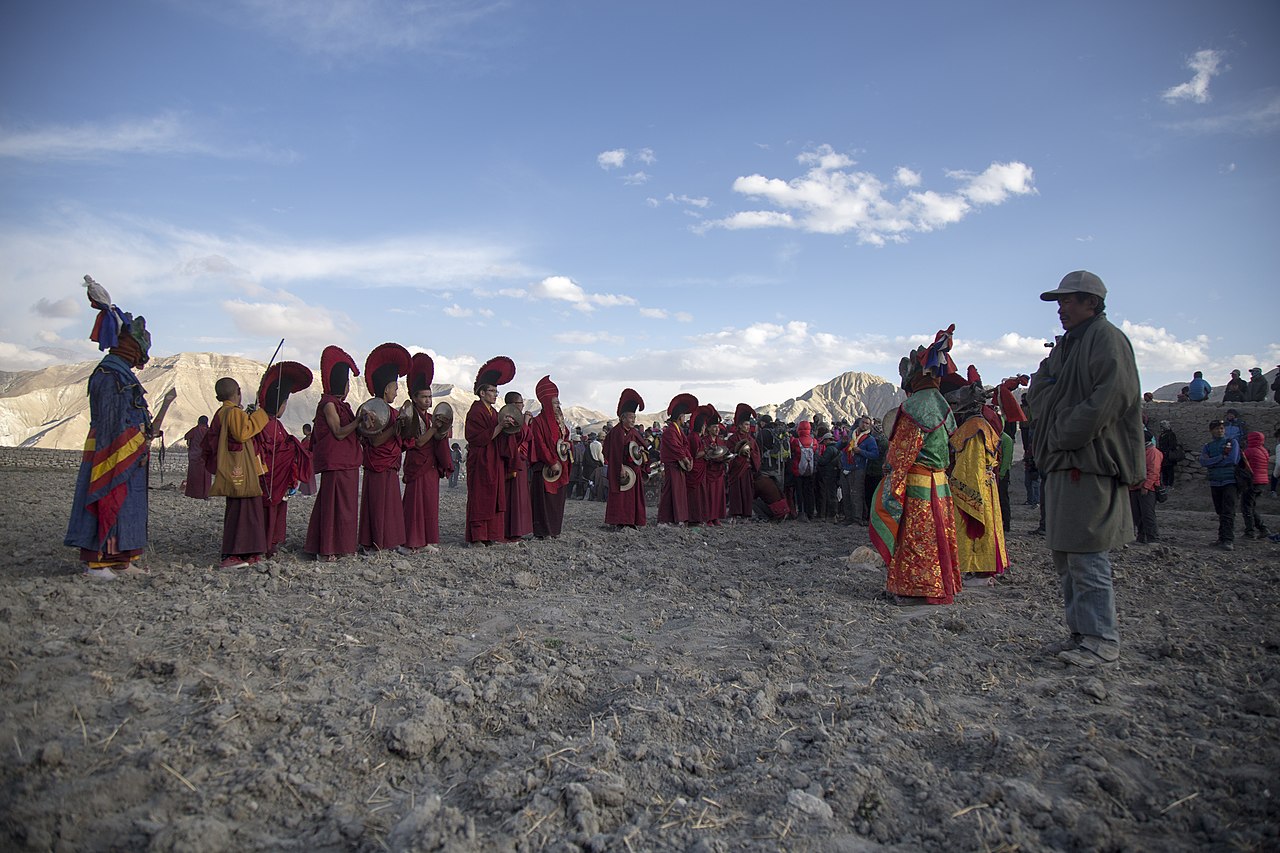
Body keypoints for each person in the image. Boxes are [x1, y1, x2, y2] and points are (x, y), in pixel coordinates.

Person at [1027, 271, 1144, 668]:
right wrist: (1054, 415)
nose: (1061, 309)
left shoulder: (1107, 339)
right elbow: (1039, 390)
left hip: (1088, 462)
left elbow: (1112, 396)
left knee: (1087, 555)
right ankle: (1080, 634)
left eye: (1069, 301)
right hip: (1063, 463)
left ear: (1091, 302)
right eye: (1060, 302)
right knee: (1066, 556)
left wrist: (1063, 430)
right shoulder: (1065, 347)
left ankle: (1101, 640)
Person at [65, 284, 176, 579]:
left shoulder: (121, 375)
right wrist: (137, 440)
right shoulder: (109, 375)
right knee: (109, 501)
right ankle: (98, 562)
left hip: (129, 457)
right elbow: (113, 425)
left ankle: (121, 560)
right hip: (112, 456)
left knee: (127, 507)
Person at [869, 326, 961, 605]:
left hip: (918, 486)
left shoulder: (914, 408)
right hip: (940, 485)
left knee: (916, 538)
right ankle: (940, 585)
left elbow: (901, 454)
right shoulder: (943, 406)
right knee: (938, 536)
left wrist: (890, 481)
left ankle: (915, 589)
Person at [942, 374, 1010, 585]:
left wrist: (952, 482)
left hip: (975, 485)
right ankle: (979, 570)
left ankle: (979, 570)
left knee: (974, 527)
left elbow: (970, 465)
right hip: (986, 485)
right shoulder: (982, 425)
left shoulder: (973, 428)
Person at [204, 377, 270, 569]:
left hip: (237, 468)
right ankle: (233, 555)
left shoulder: (224, 412)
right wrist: (260, 415)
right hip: (240, 470)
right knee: (242, 512)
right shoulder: (232, 412)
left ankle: (249, 553)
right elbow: (242, 433)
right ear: (238, 392)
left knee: (246, 511)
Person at [304, 346, 362, 561]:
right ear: (342, 384)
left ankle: (344, 546)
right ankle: (326, 549)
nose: (348, 388)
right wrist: (358, 421)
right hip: (336, 461)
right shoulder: (329, 404)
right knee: (332, 505)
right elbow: (338, 432)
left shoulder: (343, 406)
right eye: (347, 383)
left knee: (346, 506)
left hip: (348, 461)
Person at [254, 362, 313, 559]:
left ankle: (269, 543)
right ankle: (265, 544)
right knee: (268, 512)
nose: (285, 408)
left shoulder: (271, 424)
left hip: (275, 480)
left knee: (273, 511)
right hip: (269, 479)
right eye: (285, 403)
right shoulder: (266, 424)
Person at [357, 343, 411, 554]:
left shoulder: (394, 412)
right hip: (377, 463)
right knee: (378, 504)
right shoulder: (370, 410)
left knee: (390, 504)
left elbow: (402, 439)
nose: (396, 393)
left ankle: (388, 541)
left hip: (390, 464)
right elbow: (376, 441)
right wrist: (395, 429)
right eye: (395, 388)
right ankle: (374, 542)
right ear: (387, 388)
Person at [401, 353, 451, 553]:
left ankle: (425, 540)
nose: (428, 400)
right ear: (414, 398)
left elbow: (438, 437)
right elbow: (418, 441)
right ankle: (409, 542)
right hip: (417, 464)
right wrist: (434, 429)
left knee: (429, 503)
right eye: (424, 397)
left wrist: (442, 430)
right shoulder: (410, 416)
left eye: (430, 397)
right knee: (415, 504)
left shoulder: (430, 417)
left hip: (430, 465)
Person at [465, 356, 517, 545]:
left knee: (494, 496)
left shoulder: (495, 413)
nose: (495, 395)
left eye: (496, 391)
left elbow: (500, 435)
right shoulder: (475, 411)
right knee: (480, 497)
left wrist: (509, 427)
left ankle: (491, 535)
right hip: (481, 460)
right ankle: (477, 537)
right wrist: (499, 427)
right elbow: (476, 437)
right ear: (482, 393)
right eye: (492, 391)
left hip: (494, 461)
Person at [528, 375, 572, 538]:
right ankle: (542, 531)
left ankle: (555, 530)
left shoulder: (560, 422)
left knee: (557, 501)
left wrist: (568, 446)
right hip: (546, 467)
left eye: (558, 402)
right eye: (555, 403)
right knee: (544, 501)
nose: (558, 405)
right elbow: (540, 444)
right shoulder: (538, 422)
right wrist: (552, 461)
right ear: (546, 403)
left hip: (561, 467)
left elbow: (566, 438)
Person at [604, 388, 648, 528]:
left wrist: (641, 452)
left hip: (634, 469)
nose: (633, 420)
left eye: (634, 418)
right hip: (622, 469)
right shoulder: (617, 432)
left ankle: (632, 520)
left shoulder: (634, 432)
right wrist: (620, 468)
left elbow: (643, 447)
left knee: (633, 497)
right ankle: (619, 521)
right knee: (621, 497)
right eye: (630, 417)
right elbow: (613, 453)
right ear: (623, 418)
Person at [1198, 419, 1241, 550]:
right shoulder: (1208, 446)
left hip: (1230, 481)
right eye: (1217, 428)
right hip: (1215, 482)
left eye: (1222, 428)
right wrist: (1221, 458)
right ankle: (1221, 537)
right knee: (1220, 511)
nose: (1220, 431)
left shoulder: (1232, 442)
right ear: (1211, 431)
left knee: (1228, 511)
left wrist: (1213, 461)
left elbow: (1232, 460)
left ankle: (1228, 540)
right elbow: (1203, 461)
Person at [658, 393, 697, 525]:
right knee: (670, 491)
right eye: (684, 416)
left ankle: (676, 518)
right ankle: (664, 520)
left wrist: (689, 458)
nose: (685, 419)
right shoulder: (670, 431)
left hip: (679, 465)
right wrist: (684, 458)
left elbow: (684, 446)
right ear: (680, 417)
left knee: (678, 492)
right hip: (672, 465)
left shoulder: (678, 430)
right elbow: (675, 447)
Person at [502, 390, 534, 540]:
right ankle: (511, 530)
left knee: (521, 496)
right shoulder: (508, 418)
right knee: (513, 496)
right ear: (513, 404)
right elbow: (520, 436)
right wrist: (526, 421)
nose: (522, 406)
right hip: (512, 461)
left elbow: (529, 436)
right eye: (520, 403)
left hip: (521, 460)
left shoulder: (517, 417)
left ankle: (519, 529)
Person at [725, 404, 761, 522]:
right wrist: (737, 453)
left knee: (747, 492)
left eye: (749, 425)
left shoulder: (751, 440)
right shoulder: (732, 439)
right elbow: (728, 453)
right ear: (740, 425)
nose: (748, 427)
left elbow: (757, 453)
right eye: (746, 424)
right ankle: (735, 513)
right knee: (736, 492)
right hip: (736, 469)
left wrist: (751, 456)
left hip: (747, 469)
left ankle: (746, 514)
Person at [840, 416, 877, 526]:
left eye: (867, 423)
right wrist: (842, 442)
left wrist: (861, 451)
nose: (864, 425)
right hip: (846, 467)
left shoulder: (869, 439)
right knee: (846, 493)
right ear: (859, 423)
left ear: (869, 426)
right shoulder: (851, 435)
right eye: (863, 422)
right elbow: (839, 447)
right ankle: (848, 517)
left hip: (858, 469)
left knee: (856, 494)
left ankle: (857, 518)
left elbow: (875, 454)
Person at [1129, 429, 1162, 544]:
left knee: (1147, 513)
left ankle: (1153, 537)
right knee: (1137, 514)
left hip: (1148, 489)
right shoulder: (1138, 452)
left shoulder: (1153, 452)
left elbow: (1153, 472)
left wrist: (1146, 486)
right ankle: (1141, 536)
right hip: (1134, 487)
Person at [1240, 431, 1270, 539]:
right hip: (1262, 482)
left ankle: (1250, 531)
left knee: (1246, 507)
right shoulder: (1264, 451)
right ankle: (1263, 529)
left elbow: (1242, 463)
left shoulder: (1250, 451)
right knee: (1251, 506)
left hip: (1252, 482)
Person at [789, 421, 819, 521]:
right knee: (809, 492)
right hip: (810, 470)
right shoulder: (814, 441)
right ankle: (810, 512)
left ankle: (801, 512)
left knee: (799, 492)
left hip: (798, 470)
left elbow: (792, 453)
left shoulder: (796, 441)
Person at [182, 416, 212, 499]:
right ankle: (205, 494)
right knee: (206, 476)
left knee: (194, 475)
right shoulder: (209, 431)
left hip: (195, 456)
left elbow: (186, 436)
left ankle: (194, 493)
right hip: (206, 457)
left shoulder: (195, 430)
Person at [1157, 420, 1182, 487]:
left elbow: (1173, 445)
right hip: (1163, 455)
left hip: (1168, 456)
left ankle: (1170, 484)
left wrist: (1166, 451)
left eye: (1162, 426)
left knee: (1170, 470)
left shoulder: (1171, 434)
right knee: (1164, 470)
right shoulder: (1162, 435)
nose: (1161, 428)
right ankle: (1165, 484)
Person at [297, 422, 317, 496]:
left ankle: (308, 491)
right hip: (308, 459)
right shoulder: (310, 437)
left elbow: (305, 448)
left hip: (308, 459)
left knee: (307, 474)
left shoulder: (309, 438)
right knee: (308, 474)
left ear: (305, 430)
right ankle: (306, 490)